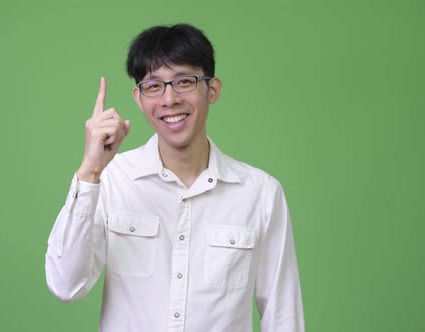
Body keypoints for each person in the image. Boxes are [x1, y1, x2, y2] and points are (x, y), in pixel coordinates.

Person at [45, 23, 305, 332]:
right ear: (139, 98)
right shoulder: (111, 180)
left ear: (213, 89)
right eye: (154, 86)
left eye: (184, 81)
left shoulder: (260, 193)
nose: (169, 100)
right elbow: (66, 285)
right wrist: (89, 173)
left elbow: (282, 314)